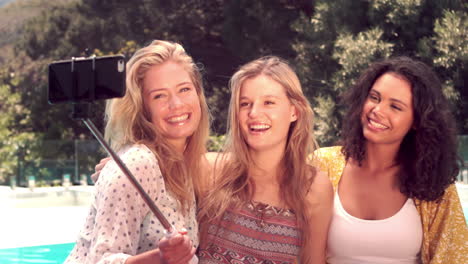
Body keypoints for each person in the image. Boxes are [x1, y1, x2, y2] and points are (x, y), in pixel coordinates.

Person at [65, 40, 210, 264]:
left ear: (198, 94)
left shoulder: (185, 163)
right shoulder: (138, 164)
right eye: (159, 96)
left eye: (184, 89)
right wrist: (160, 258)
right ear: (143, 109)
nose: (177, 104)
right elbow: (100, 261)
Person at [314, 56, 468, 264]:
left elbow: (455, 257)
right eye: (374, 98)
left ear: (416, 121)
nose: (377, 111)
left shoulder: (434, 184)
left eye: (395, 107)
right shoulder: (321, 164)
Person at [197, 56, 333, 264]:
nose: (254, 113)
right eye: (245, 104)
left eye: (268, 102)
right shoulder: (209, 170)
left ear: (294, 112)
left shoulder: (313, 187)